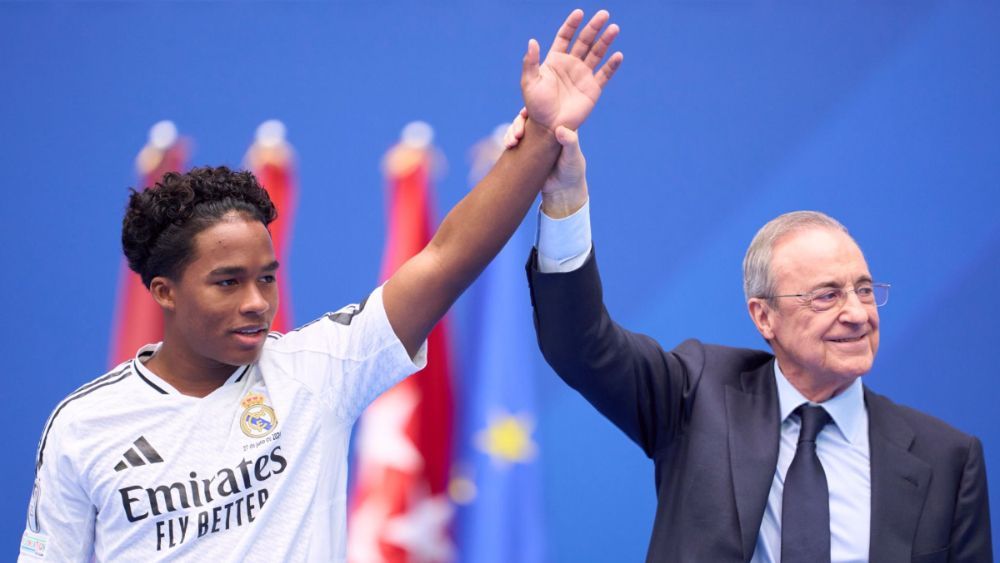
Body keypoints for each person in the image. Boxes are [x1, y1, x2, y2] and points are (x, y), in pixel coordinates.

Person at [17, 10, 623, 562]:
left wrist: (542, 136)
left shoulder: (318, 370)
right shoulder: (82, 426)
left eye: (266, 278)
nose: (256, 302)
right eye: (227, 282)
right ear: (163, 292)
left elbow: (444, 260)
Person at [504, 114, 993, 560]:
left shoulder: (947, 459)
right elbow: (580, 344)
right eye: (826, 296)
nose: (857, 313)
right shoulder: (693, 397)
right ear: (764, 318)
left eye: (864, 290)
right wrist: (565, 194)